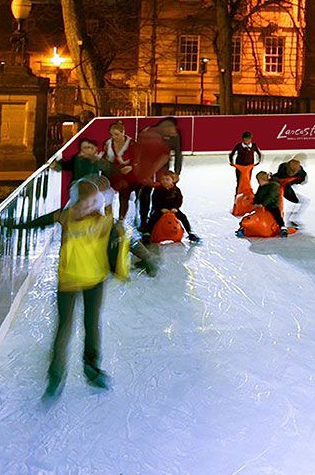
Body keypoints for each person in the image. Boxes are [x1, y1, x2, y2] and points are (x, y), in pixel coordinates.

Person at [11, 177, 129, 398]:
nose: (90, 207)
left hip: (95, 281)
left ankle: (92, 367)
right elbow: (40, 222)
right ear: (75, 202)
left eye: (93, 202)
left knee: (91, 324)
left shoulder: (105, 223)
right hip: (68, 280)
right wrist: (15, 225)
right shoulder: (65, 217)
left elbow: (119, 250)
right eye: (85, 203)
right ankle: (56, 374)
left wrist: (130, 263)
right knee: (63, 327)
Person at [145, 171, 201, 243]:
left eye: (167, 179)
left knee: (183, 217)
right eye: (163, 179)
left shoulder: (176, 190)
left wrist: (175, 208)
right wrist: (161, 208)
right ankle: (147, 233)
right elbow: (155, 200)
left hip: (173, 208)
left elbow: (179, 200)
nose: (165, 181)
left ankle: (190, 232)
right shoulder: (158, 189)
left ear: (172, 180)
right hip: (160, 208)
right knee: (153, 217)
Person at [101, 121, 136, 221]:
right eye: (112, 134)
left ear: (123, 132)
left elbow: (139, 159)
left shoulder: (132, 144)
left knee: (124, 196)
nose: (114, 137)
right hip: (111, 173)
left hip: (126, 174)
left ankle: (121, 218)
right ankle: (108, 218)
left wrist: (131, 167)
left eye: (117, 134)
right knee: (107, 195)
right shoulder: (107, 143)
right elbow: (104, 158)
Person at [274, 157, 309, 228]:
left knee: (304, 201)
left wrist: (297, 182)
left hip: (286, 188)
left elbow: (302, 179)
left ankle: (293, 218)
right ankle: (287, 219)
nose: (292, 173)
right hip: (280, 189)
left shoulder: (301, 173)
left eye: (295, 171)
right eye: (291, 171)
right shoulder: (281, 172)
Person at [228, 131, 262, 199]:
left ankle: (247, 196)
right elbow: (231, 154)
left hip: (249, 167)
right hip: (239, 167)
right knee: (239, 181)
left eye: (248, 139)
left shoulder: (254, 145)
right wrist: (232, 162)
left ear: (251, 139)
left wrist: (258, 161)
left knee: (247, 181)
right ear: (242, 139)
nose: (246, 140)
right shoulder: (239, 145)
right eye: (245, 139)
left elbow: (259, 154)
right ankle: (237, 197)